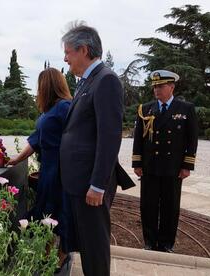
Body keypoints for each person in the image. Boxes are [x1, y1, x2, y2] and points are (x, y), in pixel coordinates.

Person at [59, 22, 134, 276]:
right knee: (86, 243)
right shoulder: (87, 81)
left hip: (90, 182)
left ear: (83, 49)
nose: (65, 58)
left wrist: (98, 184)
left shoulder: (106, 80)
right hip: (79, 180)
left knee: (95, 245)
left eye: (68, 52)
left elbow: (110, 136)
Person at [7, 68, 74, 271]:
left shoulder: (65, 107)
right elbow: (36, 139)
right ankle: (46, 256)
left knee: (61, 215)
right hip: (49, 171)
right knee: (47, 215)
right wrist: (16, 159)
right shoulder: (51, 109)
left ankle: (61, 259)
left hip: (61, 172)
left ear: (48, 85)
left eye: (40, 86)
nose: (38, 90)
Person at [132, 70, 199, 253]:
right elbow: (138, 138)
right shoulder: (145, 109)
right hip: (150, 167)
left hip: (173, 168)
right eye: (154, 86)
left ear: (172, 87)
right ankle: (149, 241)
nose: (156, 90)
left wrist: (187, 166)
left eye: (160, 86)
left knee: (170, 207)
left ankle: (166, 243)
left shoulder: (185, 109)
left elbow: (192, 140)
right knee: (148, 206)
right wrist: (137, 163)